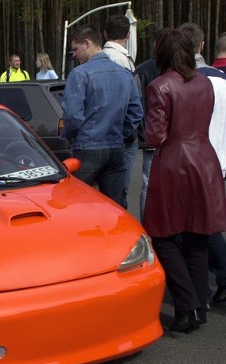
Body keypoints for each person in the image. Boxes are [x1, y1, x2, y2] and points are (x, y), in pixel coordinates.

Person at [142, 28, 226, 332]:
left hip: (174, 165)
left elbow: (155, 135)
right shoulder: (205, 83)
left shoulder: (160, 86)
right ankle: (197, 308)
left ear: (161, 52)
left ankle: (187, 304)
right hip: (204, 161)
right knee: (197, 238)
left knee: (163, 238)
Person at [61, 25, 142, 207]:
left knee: (75, 204)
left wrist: (71, 137)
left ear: (87, 43)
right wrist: (122, 134)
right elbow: (136, 112)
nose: (74, 55)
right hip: (115, 148)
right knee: (116, 207)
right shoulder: (125, 73)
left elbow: (73, 116)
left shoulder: (80, 74)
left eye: (75, 49)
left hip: (87, 147)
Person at [178, 23, 226, 307]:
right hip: (218, 163)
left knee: (197, 227)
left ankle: (204, 287)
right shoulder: (220, 80)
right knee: (205, 224)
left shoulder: (188, 81)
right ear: (202, 45)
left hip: (194, 164)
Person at [103, 13, 138, 210]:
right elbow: (130, 105)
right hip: (121, 138)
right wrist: (126, 132)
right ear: (128, 35)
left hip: (108, 135)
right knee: (118, 193)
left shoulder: (103, 57)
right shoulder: (121, 60)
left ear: (105, 33)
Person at [134, 31, 161, 221]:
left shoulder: (141, 70)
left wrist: (142, 132)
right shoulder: (174, 69)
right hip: (167, 136)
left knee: (147, 184)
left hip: (149, 134)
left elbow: (136, 104)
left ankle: (147, 223)